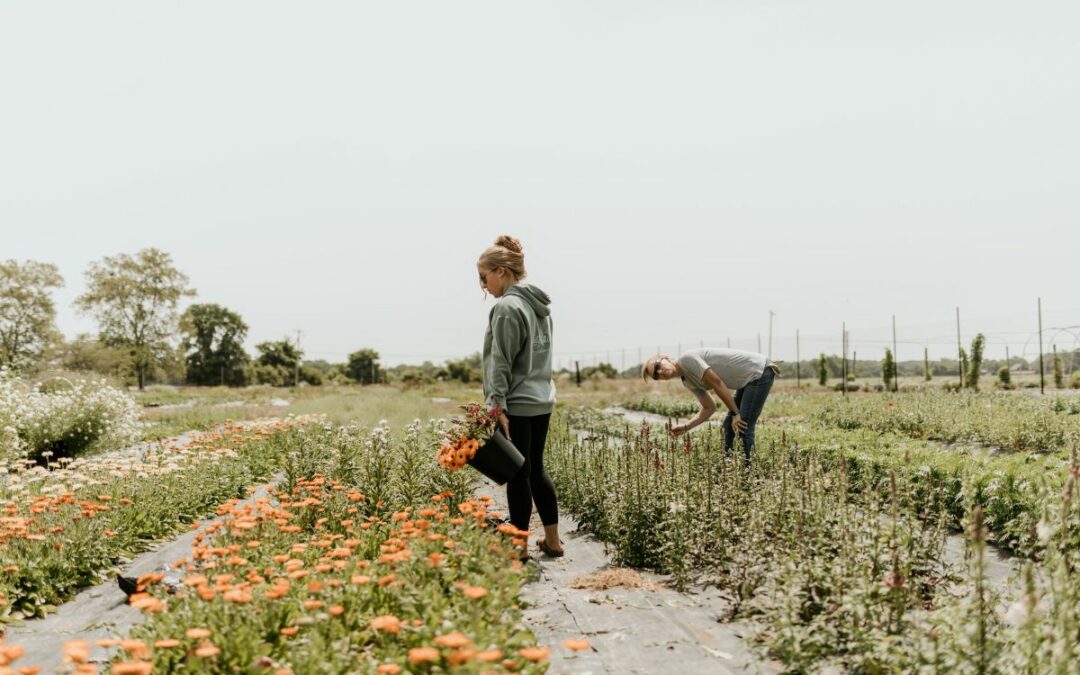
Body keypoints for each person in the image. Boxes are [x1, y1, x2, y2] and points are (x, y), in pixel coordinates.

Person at [478, 235, 564, 558]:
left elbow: (500, 361)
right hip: (542, 398)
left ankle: (520, 548)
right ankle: (553, 541)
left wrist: (496, 404)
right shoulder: (539, 307)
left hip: (517, 403)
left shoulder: (507, 308)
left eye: (484, 278)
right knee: (536, 469)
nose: (484, 286)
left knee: (517, 475)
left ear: (501, 271)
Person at [642, 348, 779, 463]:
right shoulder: (687, 382)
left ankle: (751, 478)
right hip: (748, 379)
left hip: (759, 371)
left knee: (743, 427)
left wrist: (736, 414)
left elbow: (716, 382)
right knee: (728, 428)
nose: (660, 372)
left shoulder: (687, 360)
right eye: (656, 375)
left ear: (667, 358)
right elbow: (709, 407)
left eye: (658, 366)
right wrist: (686, 427)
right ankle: (729, 472)